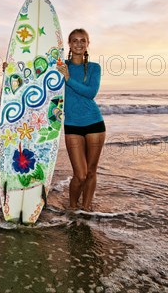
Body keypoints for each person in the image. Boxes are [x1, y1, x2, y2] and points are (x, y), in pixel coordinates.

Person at [57, 29, 106, 211]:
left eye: (82, 41)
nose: (79, 44)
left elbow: (91, 93)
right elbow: (36, 76)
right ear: (69, 44)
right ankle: (72, 208)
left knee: (91, 172)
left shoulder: (94, 68)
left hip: (94, 124)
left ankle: (86, 210)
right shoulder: (60, 66)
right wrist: (12, 69)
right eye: (75, 40)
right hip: (72, 125)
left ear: (87, 44)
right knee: (80, 174)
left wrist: (68, 78)